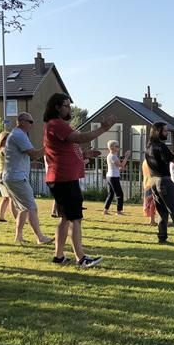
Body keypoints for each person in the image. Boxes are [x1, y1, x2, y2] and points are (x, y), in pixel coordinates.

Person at [44, 94, 115, 267]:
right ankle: (81, 258)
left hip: (62, 177)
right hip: (64, 178)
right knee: (75, 218)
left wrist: (84, 155)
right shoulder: (56, 124)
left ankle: (59, 256)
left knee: (65, 218)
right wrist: (104, 128)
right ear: (57, 107)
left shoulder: (57, 125)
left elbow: (65, 150)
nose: (69, 108)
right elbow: (80, 138)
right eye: (66, 105)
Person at [3, 112, 54, 244]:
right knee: (32, 207)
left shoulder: (18, 134)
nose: (32, 124)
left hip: (12, 177)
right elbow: (35, 154)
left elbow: (24, 156)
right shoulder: (19, 135)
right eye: (30, 122)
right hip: (17, 178)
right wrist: (50, 144)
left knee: (24, 208)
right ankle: (40, 237)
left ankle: (18, 237)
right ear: (21, 122)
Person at [0, 131, 17, 222]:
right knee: (12, 197)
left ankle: (1, 217)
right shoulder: (4, 149)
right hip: (3, 174)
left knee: (5, 197)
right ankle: (17, 218)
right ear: (4, 140)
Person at [103, 140, 128, 216]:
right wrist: (126, 157)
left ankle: (105, 210)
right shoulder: (113, 156)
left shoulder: (111, 156)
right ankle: (119, 211)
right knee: (119, 194)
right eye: (116, 146)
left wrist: (120, 169)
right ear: (112, 147)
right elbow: (121, 165)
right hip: (113, 177)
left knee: (111, 194)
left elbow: (116, 167)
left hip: (110, 176)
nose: (118, 148)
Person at [141, 159, 157, 226]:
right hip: (152, 183)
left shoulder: (145, 161)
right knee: (153, 203)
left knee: (150, 203)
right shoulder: (152, 161)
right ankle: (152, 221)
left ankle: (152, 220)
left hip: (147, 183)